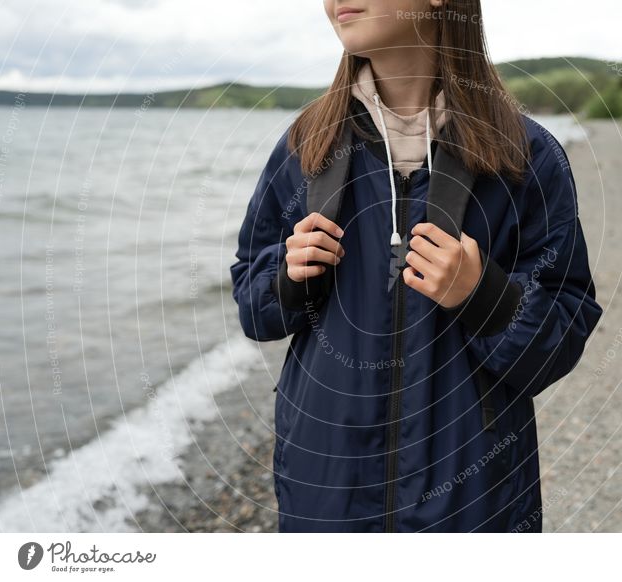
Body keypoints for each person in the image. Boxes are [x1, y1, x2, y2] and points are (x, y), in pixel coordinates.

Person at [229, 0, 603, 532]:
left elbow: (563, 337)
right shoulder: (305, 148)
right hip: (323, 490)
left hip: (473, 500)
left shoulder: (528, 156)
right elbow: (252, 303)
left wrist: (485, 296)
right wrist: (287, 281)